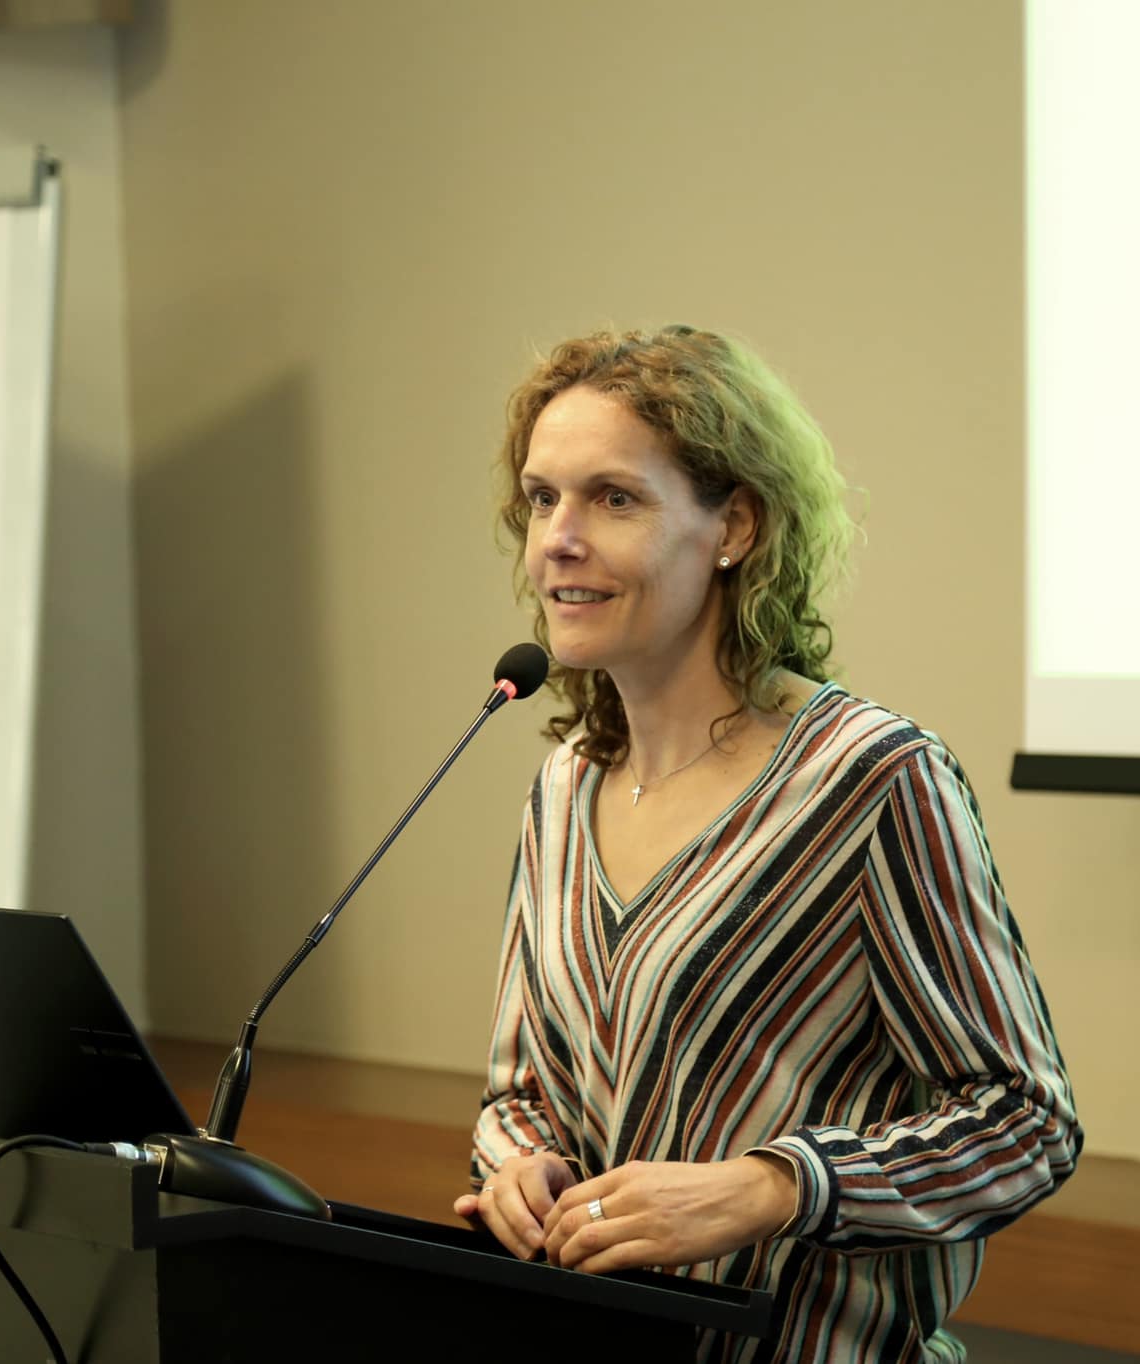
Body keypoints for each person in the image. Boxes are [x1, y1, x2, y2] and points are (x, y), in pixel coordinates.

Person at [452, 325, 1082, 1364]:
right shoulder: (564, 785)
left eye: (614, 498)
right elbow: (520, 1093)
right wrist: (519, 1166)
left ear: (734, 526)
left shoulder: (868, 778)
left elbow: (1024, 1122)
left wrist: (773, 1185)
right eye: (541, 498)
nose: (557, 538)